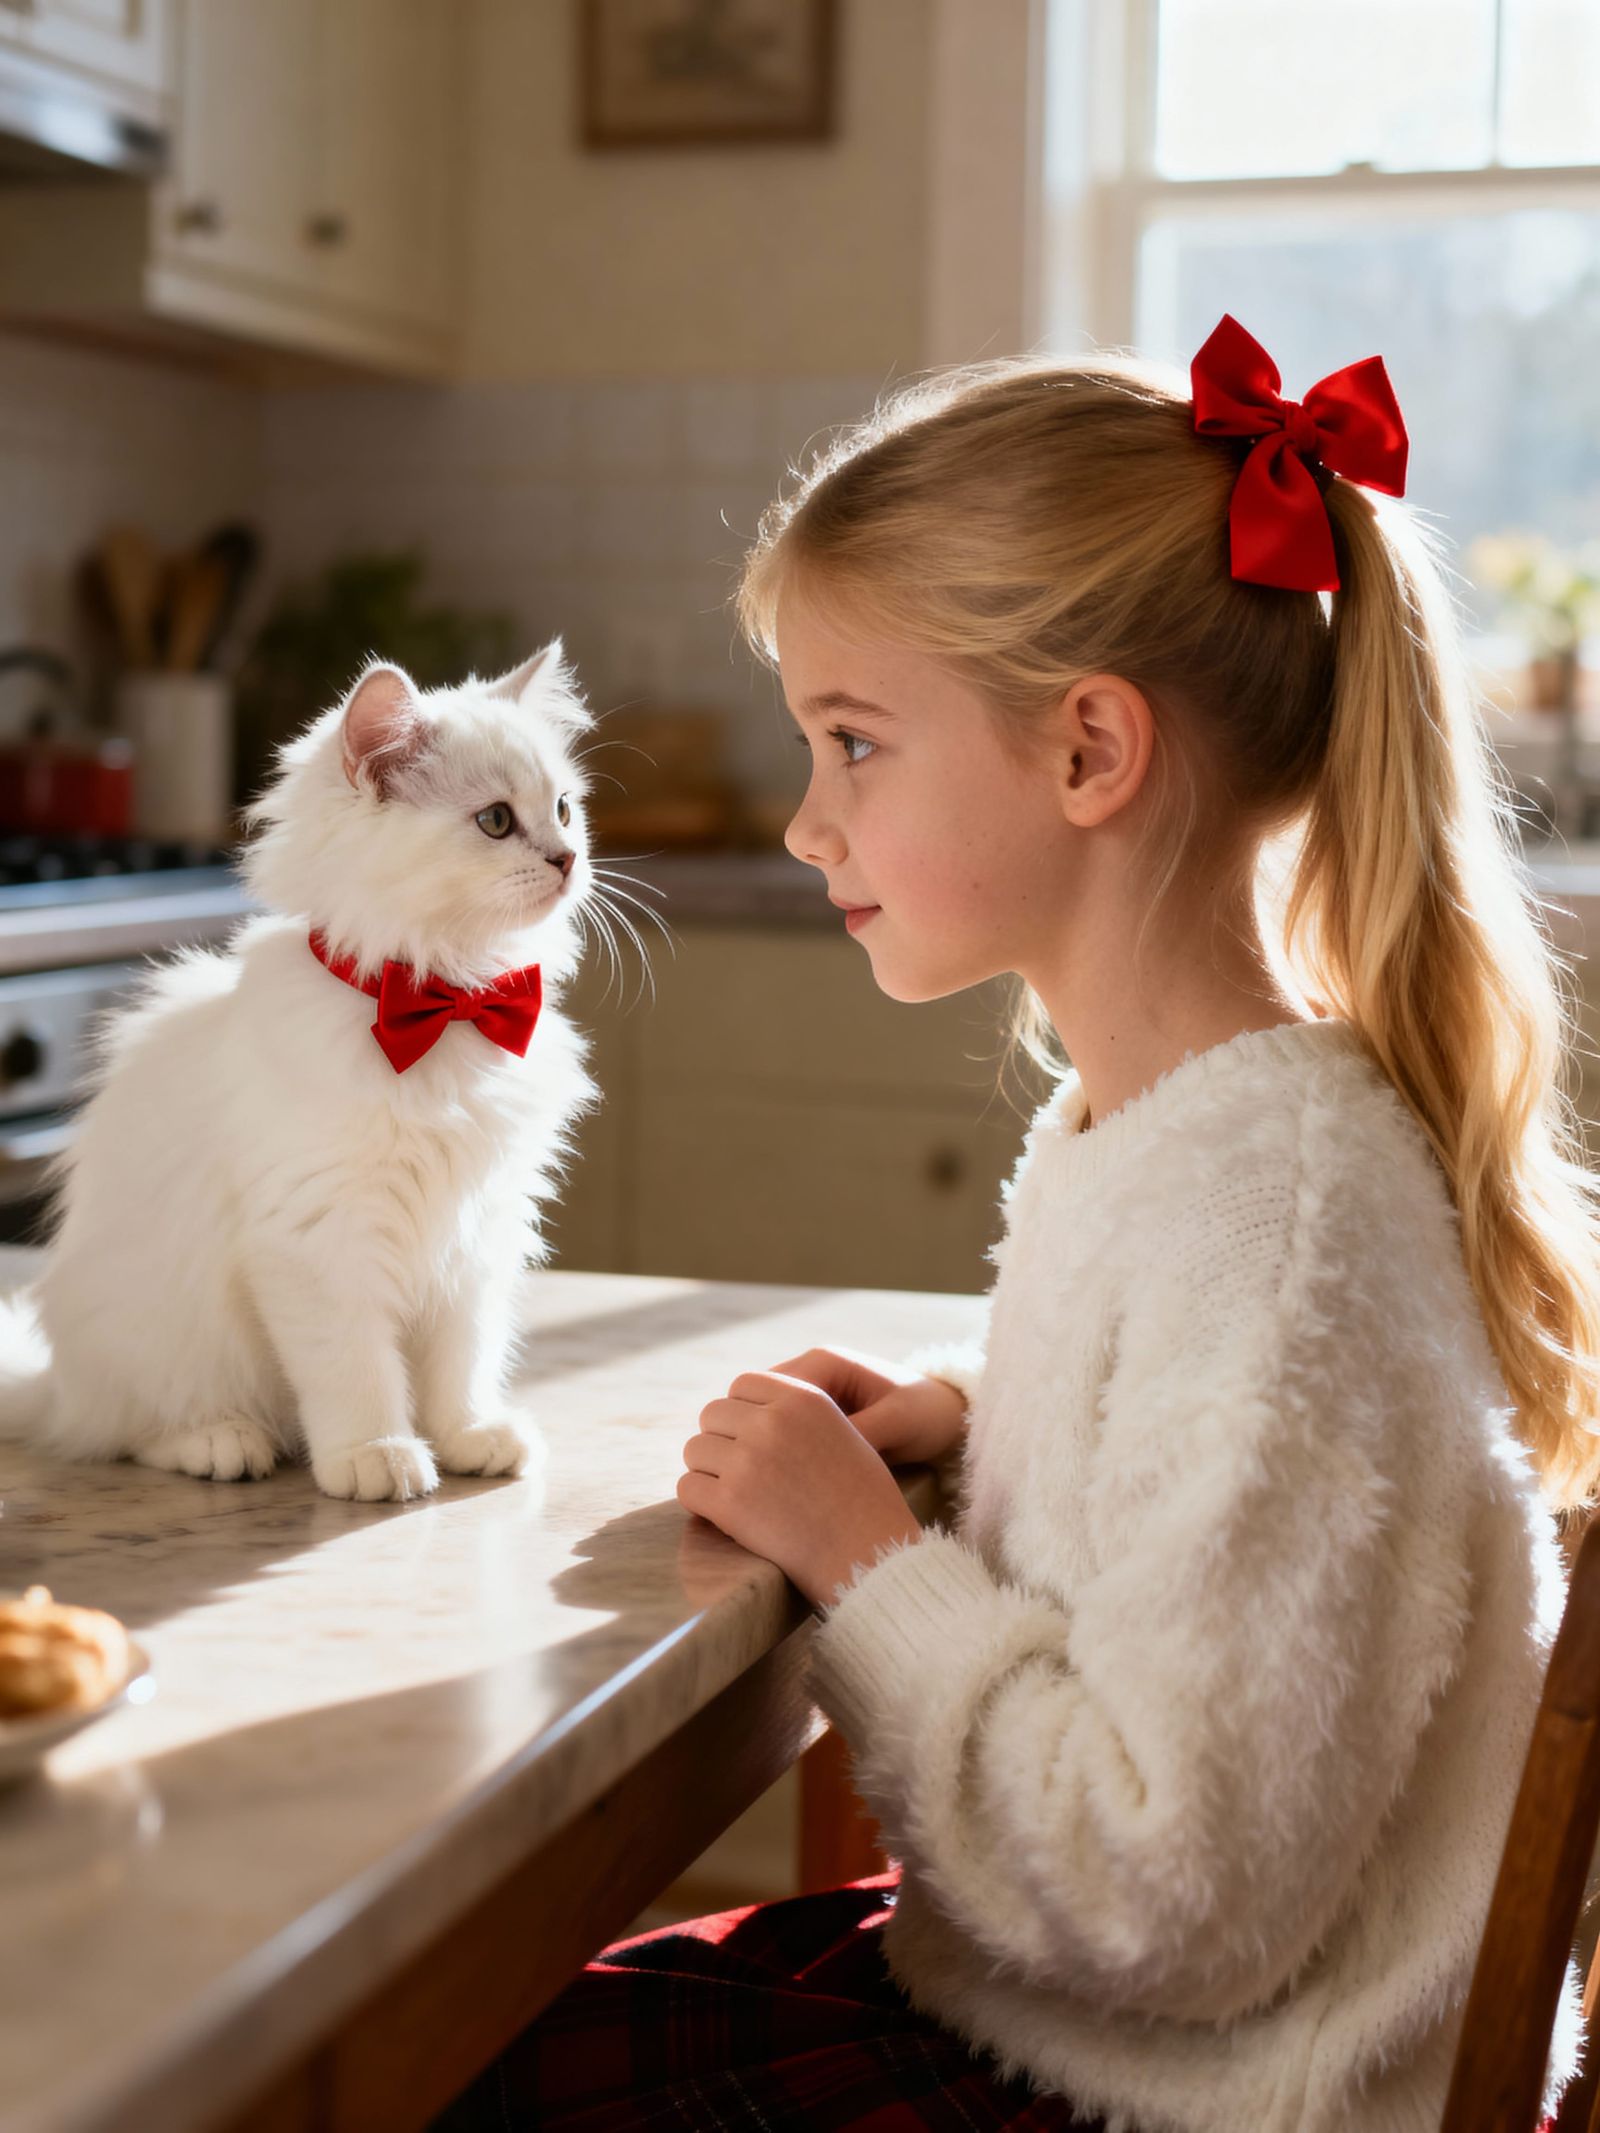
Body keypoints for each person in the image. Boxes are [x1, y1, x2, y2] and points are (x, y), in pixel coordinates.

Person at [430, 316, 1600, 2131]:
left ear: (1089, 752)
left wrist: (872, 1565)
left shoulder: (1274, 1220)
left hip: (1194, 2085)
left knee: (437, 2070)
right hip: (1102, 2035)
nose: (814, 822)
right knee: (474, 2025)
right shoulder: (1181, 1124)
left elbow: (1166, 1892)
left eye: (855, 740)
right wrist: (977, 1409)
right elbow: (1203, 1454)